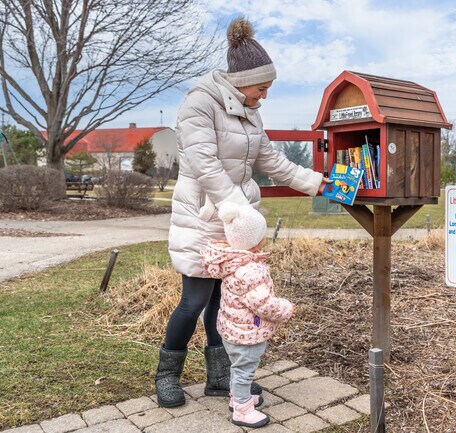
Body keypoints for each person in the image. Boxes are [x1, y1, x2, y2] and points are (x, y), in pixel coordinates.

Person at [156, 16, 330, 408]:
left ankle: (221, 377)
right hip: (204, 216)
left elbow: (270, 159)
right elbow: (204, 164)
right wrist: (234, 208)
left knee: (226, 302)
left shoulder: (250, 111)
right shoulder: (200, 104)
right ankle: (168, 374)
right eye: (262, 88)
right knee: (194, 300)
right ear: (241, 81)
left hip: (237, 223)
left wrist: (316, 182)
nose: (264, 96)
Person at [201, 202, 294, 428]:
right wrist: (287, 309)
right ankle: (242, 409)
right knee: (244, 370)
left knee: (238, 367)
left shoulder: (234, 262)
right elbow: (263, 304)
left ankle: (238, 397)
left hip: (233, 329)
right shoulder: (250, 271)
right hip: (247, 333)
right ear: (256, 240)